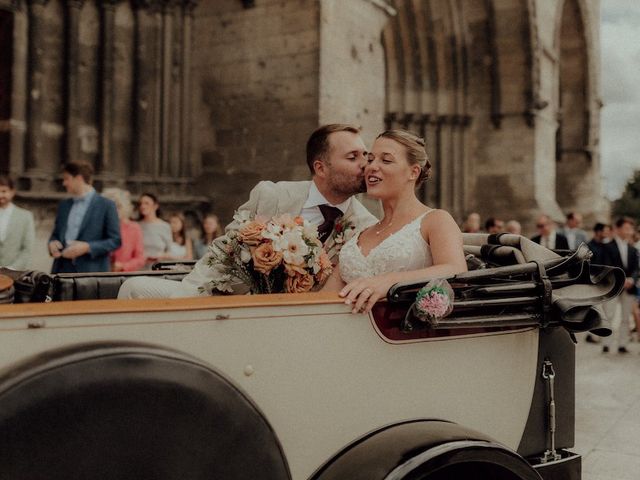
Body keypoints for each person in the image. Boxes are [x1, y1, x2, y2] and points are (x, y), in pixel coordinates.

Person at [118, 123, 378, 299]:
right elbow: (224, 250)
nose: (365, 165)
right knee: (133, 288)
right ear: (320, 168)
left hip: (294, 323)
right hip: (229, 302)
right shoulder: (271, 196)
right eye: (353, 157)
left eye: (365, 155)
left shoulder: (366, 226)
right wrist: (190, 296)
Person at [323, 129, 467, 314]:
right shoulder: (362, 231)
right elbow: (325, 297)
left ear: (413, 172)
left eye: (386, 160)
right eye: (371, 159)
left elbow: (455, 269)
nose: (372, 167)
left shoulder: (436, 220)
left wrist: (390, 281)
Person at [48, 161, 121, 273]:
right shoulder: (63, 205)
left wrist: (87, 247)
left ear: (79, 178)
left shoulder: (107, 205)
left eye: (67, 179)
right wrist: (52, 243)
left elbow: (115, 241)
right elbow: (55, 235)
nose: (64, 183)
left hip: (91, 273)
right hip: (61, 270)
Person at [600, 217, 639, 354]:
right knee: (609, 315)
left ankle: (623, 344)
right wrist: (622, 280)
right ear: (617, 229)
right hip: (613, 286)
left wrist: (632, 280)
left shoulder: (633, 249)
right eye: (627, 228)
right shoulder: (607, 247)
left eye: (630, 229)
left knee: (625, 317)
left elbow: (636, 269)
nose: (629, 232)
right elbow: (608, 266)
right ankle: (606, 344)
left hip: (629, 288)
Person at [102, 188, 145, 272]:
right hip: (101, 275)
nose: (114, 210)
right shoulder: (100, 226)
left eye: (118, 206)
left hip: (124, 277)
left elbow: (140, 258)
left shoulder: (134, 228)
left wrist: (123, 266)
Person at [0, 175, 35, 270]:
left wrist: (12, 268)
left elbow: (27, 249)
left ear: (12, 192)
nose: (0, 195)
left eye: (4, 191)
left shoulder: (25, 216)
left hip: (16, 272)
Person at [137, 193, 172, 268]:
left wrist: (162, 256)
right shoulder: (136, 226)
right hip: (140, 267)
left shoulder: (165, 226)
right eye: (141, 204)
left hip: (158, 267)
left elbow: (170, 250)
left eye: (146, 203)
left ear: (155, 206)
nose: (142, 206)